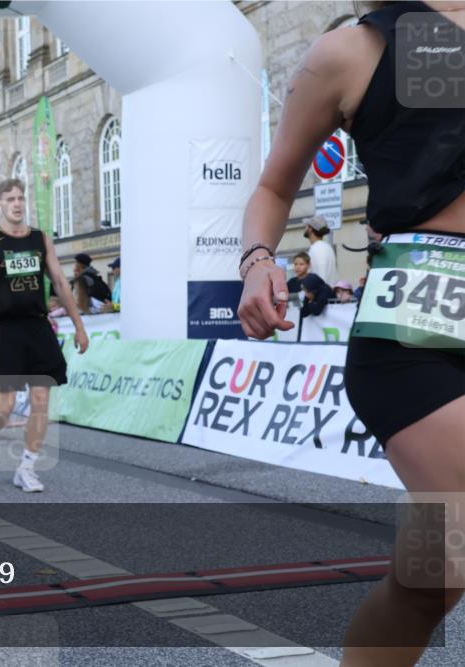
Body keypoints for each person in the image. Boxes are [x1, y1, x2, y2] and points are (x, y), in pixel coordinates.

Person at [236, 3, 464, 664]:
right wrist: (257, 264)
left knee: (430, 582)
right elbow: (275, 186)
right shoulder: (355, 50)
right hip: (417, 332)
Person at [0, 178, 89, 492]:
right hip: (6, 329)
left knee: (40, 402)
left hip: (38, 326)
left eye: (21, 198)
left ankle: (26, 468)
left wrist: (79, 325)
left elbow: (61, 283)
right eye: (10, 199)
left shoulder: (39, 239)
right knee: (5, 406)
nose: (17, 204)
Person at [304, 215, 338, 287]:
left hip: (321, 295)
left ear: (310, 229)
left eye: (307, 226)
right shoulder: (326, 247)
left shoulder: (317, 248)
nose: (305, 228)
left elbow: (320, 276)